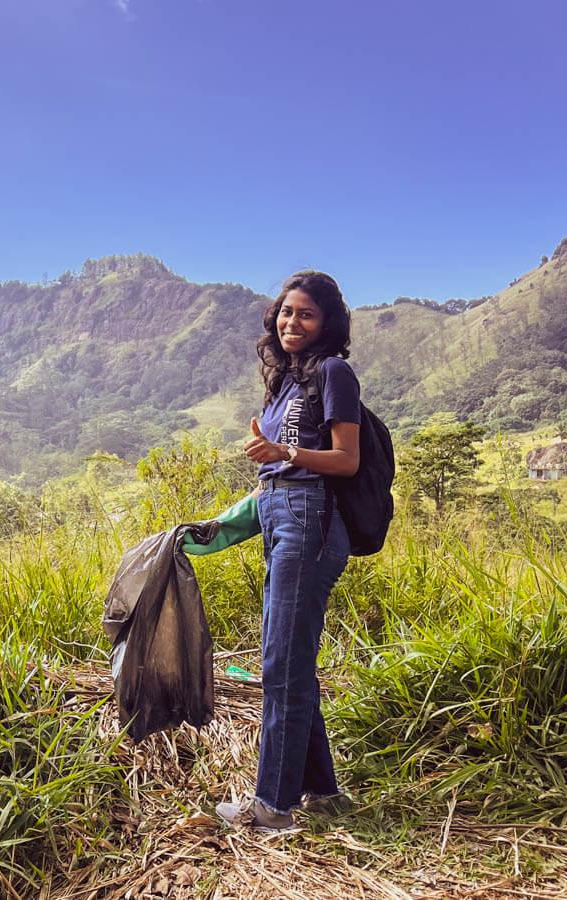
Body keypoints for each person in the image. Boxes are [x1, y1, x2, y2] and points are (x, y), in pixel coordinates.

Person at [215, 271, 360, 830]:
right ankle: (323, 792)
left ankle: (272, 807)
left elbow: (345, 460)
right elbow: (271, 475)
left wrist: (285, 451)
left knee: (280, 666)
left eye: (306, 314)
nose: (291, 323)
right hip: (280, 513)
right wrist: (217, 526)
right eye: (286, 312)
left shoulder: (334, 372)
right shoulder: (283, 383)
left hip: (311, 518)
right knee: (292, 662)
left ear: (326, 323)